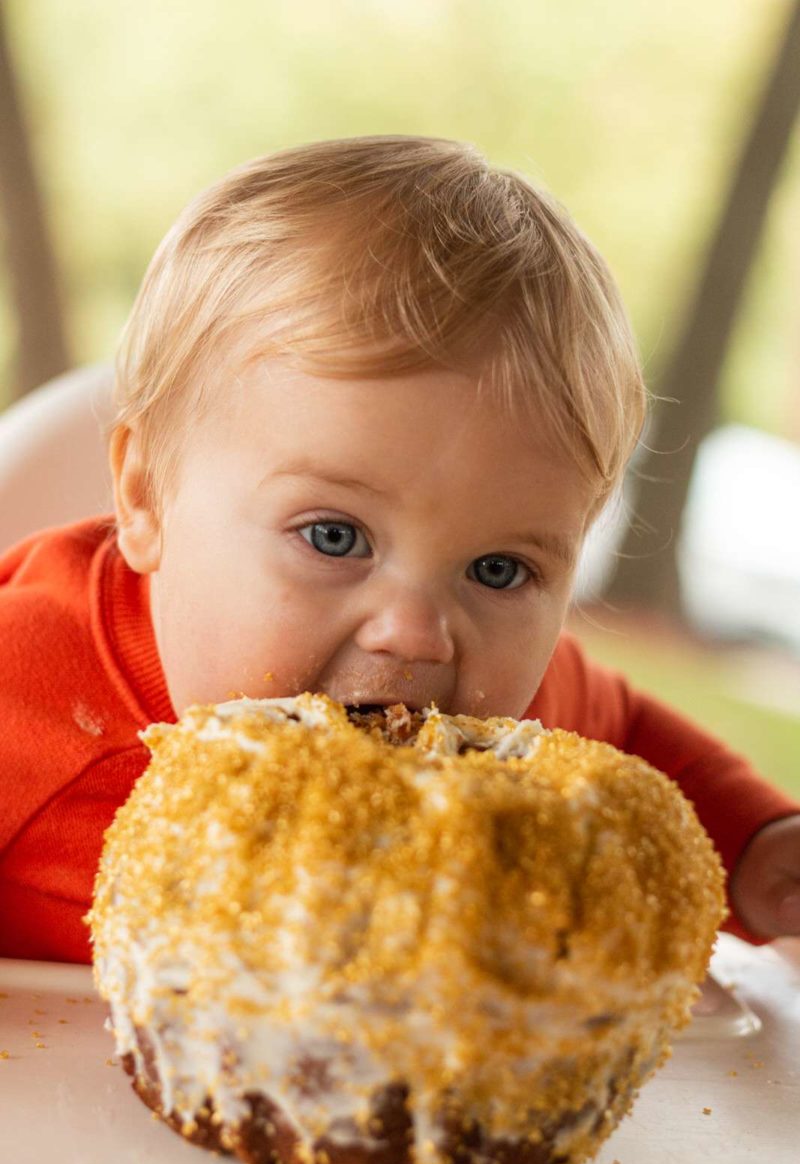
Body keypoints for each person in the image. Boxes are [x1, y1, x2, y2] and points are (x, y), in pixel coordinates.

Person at [1, 135, 797, 964]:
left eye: (498, 570)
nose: (416, 634)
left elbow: (626, 734)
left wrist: (757, 846)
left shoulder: (501, 725)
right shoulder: (22, 688)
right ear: (144, 496)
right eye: (335, 537)